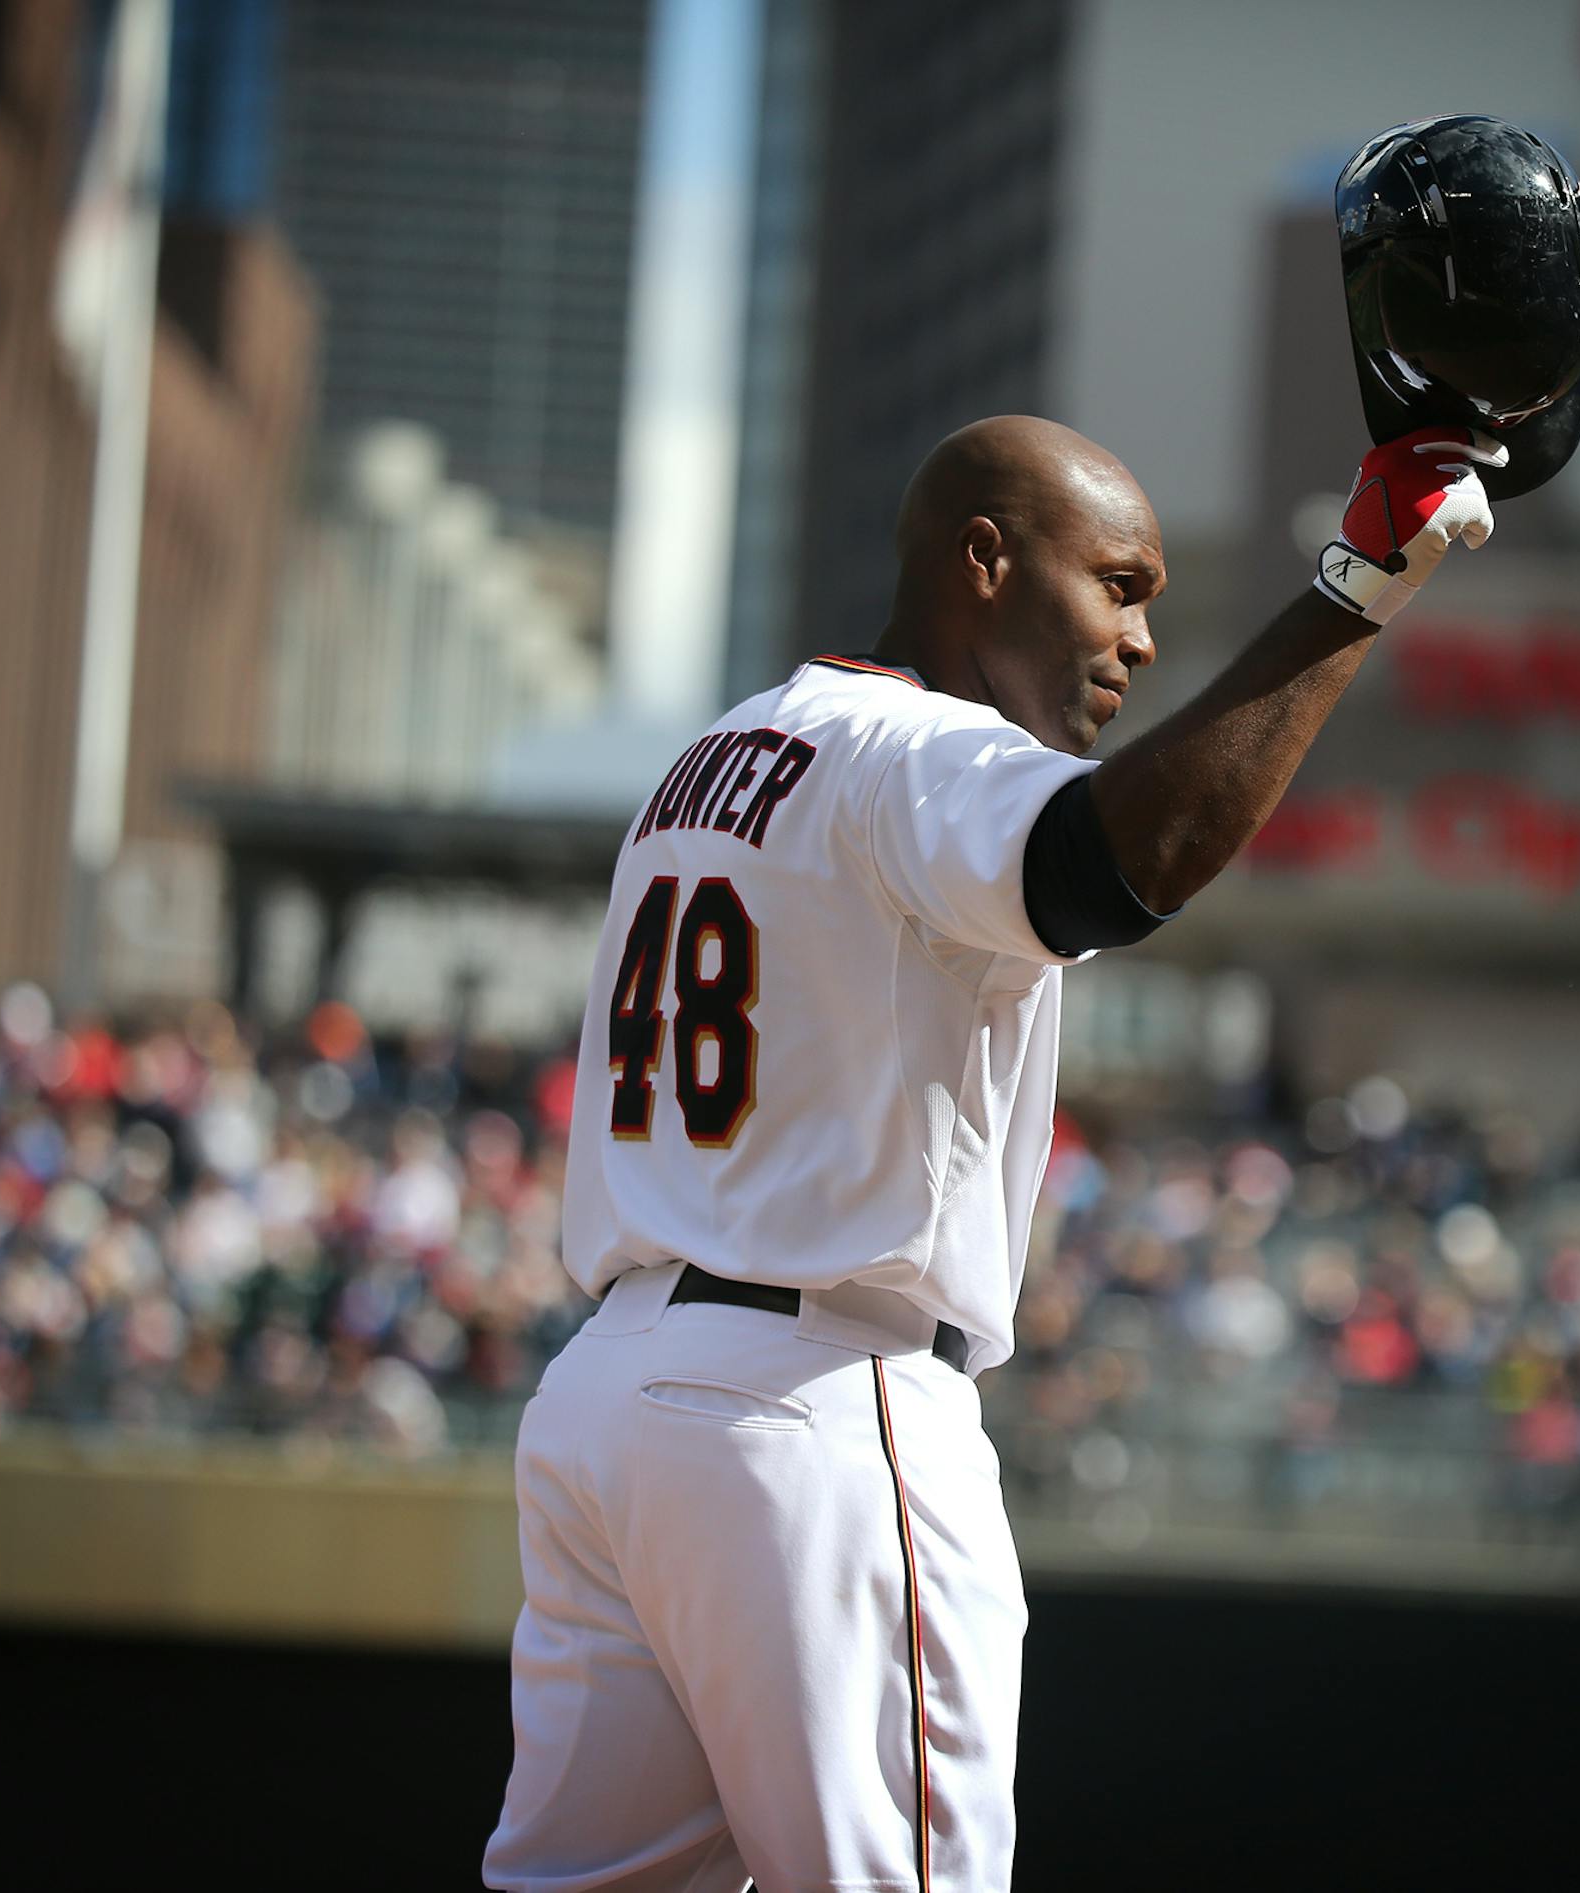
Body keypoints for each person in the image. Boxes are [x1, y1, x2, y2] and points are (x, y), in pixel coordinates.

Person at [483, 412, 1502, 1892]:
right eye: (1120, 584)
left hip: (608, 1410)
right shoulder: (925, 751)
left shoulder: (712, 755)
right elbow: (1111, 863)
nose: (1142, 638)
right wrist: (1355, 587)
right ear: (984, 559)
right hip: (815, 1409)